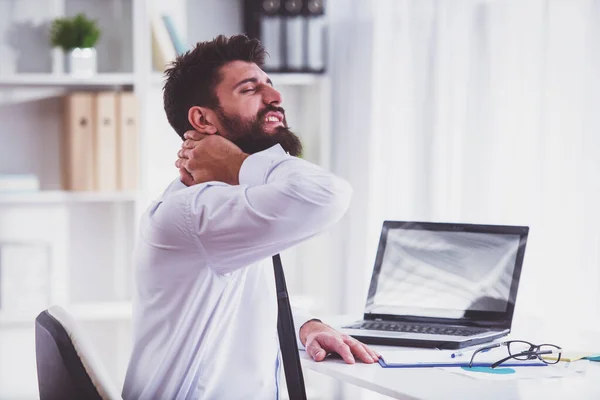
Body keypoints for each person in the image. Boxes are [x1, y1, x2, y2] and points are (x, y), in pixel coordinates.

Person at [122, 34, 378, 400]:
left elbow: (246, 292)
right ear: (202, 119)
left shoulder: (227, 203)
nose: (275, 98)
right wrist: (239, 163)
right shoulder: (197, 212)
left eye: (269, 85)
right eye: (249, 89)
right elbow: (329, 194)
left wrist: (305, 324)